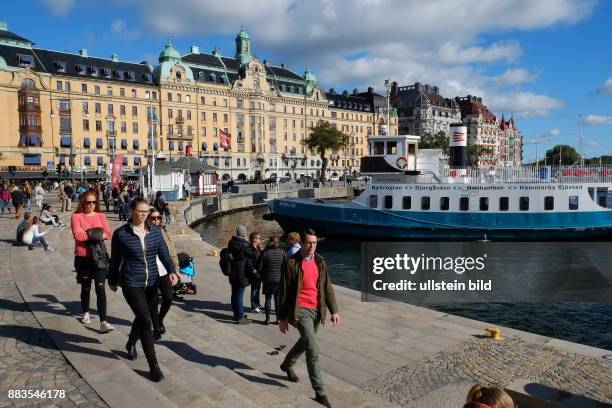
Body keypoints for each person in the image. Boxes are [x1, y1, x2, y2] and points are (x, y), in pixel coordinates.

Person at [108, 197, 175, 382]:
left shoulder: (155, 231)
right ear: (131, 211)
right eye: (140, 211)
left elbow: (164, 254)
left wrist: (172, 272)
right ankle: (153, 366)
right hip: (131, 282)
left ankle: (130, 342)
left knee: (142, 316)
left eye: (146, 211)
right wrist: (112, 280)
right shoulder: (121, 234)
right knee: (146, 320)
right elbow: (115, 260)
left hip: (152, 281)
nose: (143, 214)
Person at [278, 228, 339, 408]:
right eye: (308, 243)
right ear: (301, 244)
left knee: (305, 342)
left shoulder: (320, 262)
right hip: (300, 311)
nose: (312, 246)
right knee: (312, 349)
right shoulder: (290, 264)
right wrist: (281, 318)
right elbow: (282, 292)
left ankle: (287, 364)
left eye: (314, 242)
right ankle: (320, 392)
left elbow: (327, 287)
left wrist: (334, 310)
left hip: (316, 310)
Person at [71, 192, 114, 333]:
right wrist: (97, 234)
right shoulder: (76, 216)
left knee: (100, 288)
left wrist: (89, 233)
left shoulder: (101, 216)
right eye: (88, 202)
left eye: (94, 202)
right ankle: (86, 312)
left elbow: (108, 233)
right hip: (83, 257)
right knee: (86, 287)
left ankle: (103, 321)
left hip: (100, 257)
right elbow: (78, 235)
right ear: (82, 202)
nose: (91, 205)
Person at [148, 209, 180, 340]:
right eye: (153, 218)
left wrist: (175, 269)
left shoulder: (164, 232)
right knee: (153, 301)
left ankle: (159, 319)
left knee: (168, 298)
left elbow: (172, 251)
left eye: (158, 218)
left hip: (164, 271)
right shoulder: (145, 233)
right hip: (150, 271)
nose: (156, 221)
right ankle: (156, 327)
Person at [227, 224, 255, 324]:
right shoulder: (244, 244)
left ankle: (237, 313)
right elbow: (251, 254)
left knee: (234, 293)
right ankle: (240, 317)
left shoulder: (232, 242)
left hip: (233, 271)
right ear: (244, 233)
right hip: (241, 272)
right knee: (239, 294)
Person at [257, 235, 285, 325]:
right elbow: (285, 266)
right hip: (278, 280)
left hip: (267, 280)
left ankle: (267, 320)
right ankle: (278, 319)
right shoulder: (282, 252)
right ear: (278, 243)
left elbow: (260, 268)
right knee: (277, 300)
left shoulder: (264, 253)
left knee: (267, 299)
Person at [248, 232, 263, 313]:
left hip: (259, 272)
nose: (260, 239)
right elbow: (249, 264)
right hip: (254, 273)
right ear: (254, 239)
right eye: (258, 238)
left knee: (258, 289)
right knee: (254, 289)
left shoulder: (258, 247)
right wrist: (255, 272)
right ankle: (254, 306)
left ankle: (257, 304)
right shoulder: (250, 249)